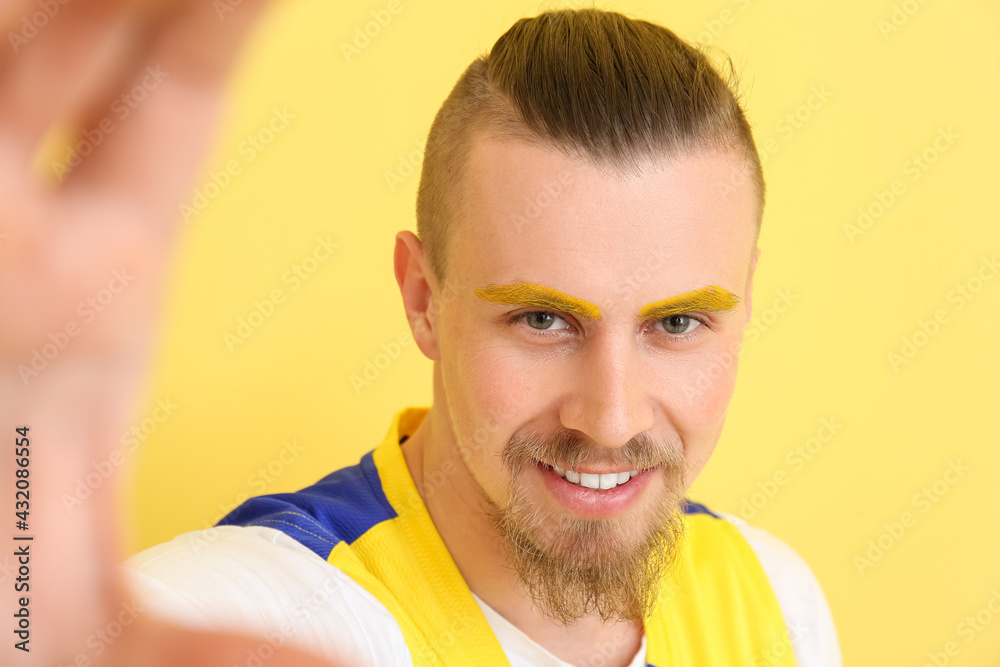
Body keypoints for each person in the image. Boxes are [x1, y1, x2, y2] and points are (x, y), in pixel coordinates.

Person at [121, 8, 843, 666]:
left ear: (746, 304)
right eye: (542, 320)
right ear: (423, 299)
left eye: (677, 323)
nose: (612, 417)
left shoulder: (774, 604)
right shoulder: (271, 619)